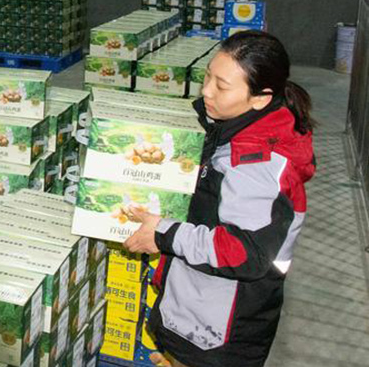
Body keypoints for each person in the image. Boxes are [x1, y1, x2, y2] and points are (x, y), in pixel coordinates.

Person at [123, 31, 316, 367]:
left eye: (221, 86)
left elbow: (247, 252)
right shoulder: (229, 124)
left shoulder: (256, 165)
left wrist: (163, 233)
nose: (206, 91)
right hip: (199, 304)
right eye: (208, 76)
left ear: (260, 98)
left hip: (220, 330)